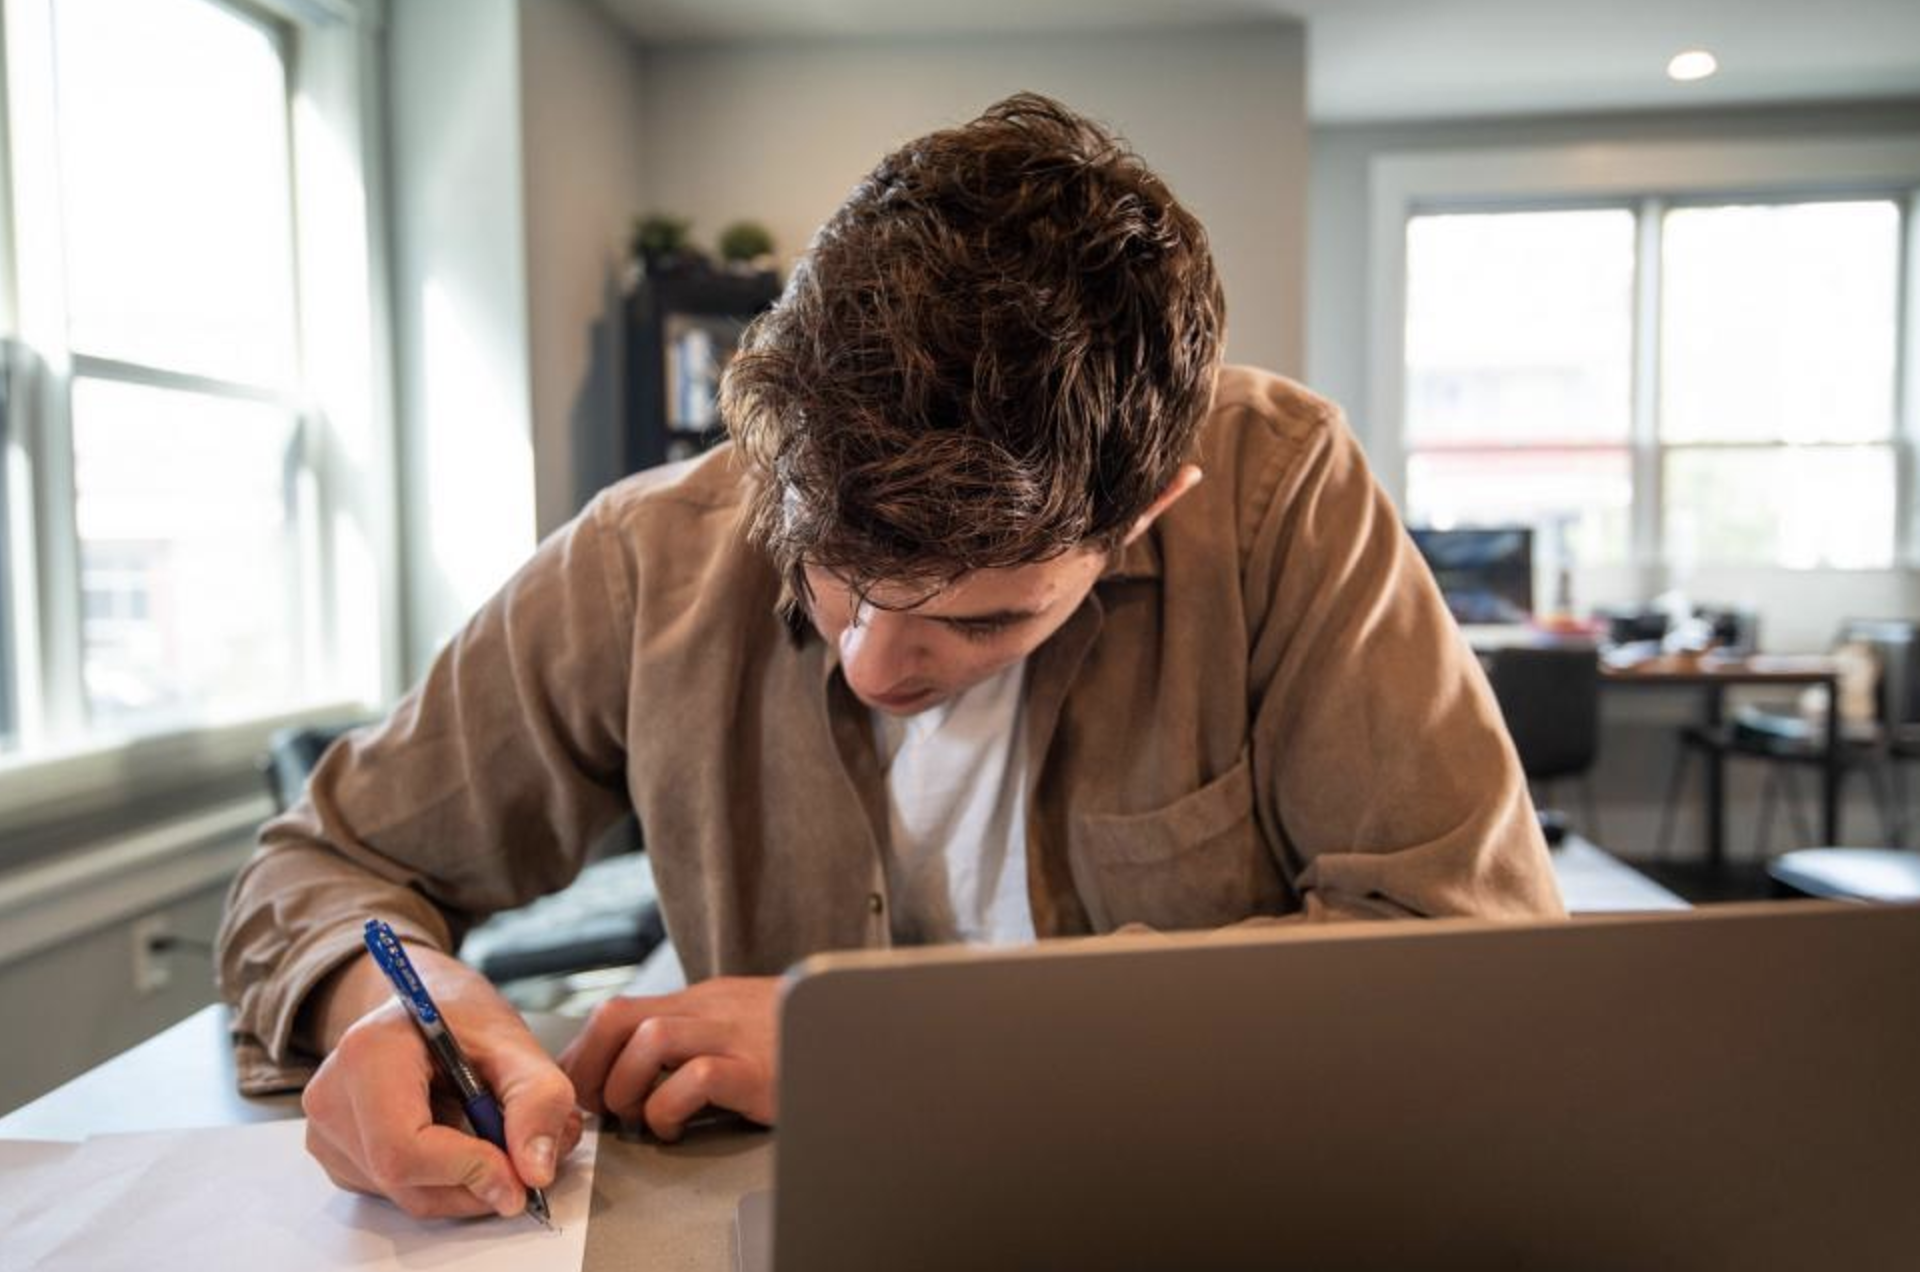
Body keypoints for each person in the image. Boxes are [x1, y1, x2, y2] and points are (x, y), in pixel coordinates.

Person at [215, 91, 1563, 1222]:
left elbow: (1471, 962)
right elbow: (322, 863)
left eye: (980, 620)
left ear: (1145, 511)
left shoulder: (1280, 497)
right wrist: (403, 1010)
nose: (870, 665)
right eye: (830, 576)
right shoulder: (652, 552)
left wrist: (890, 1043)